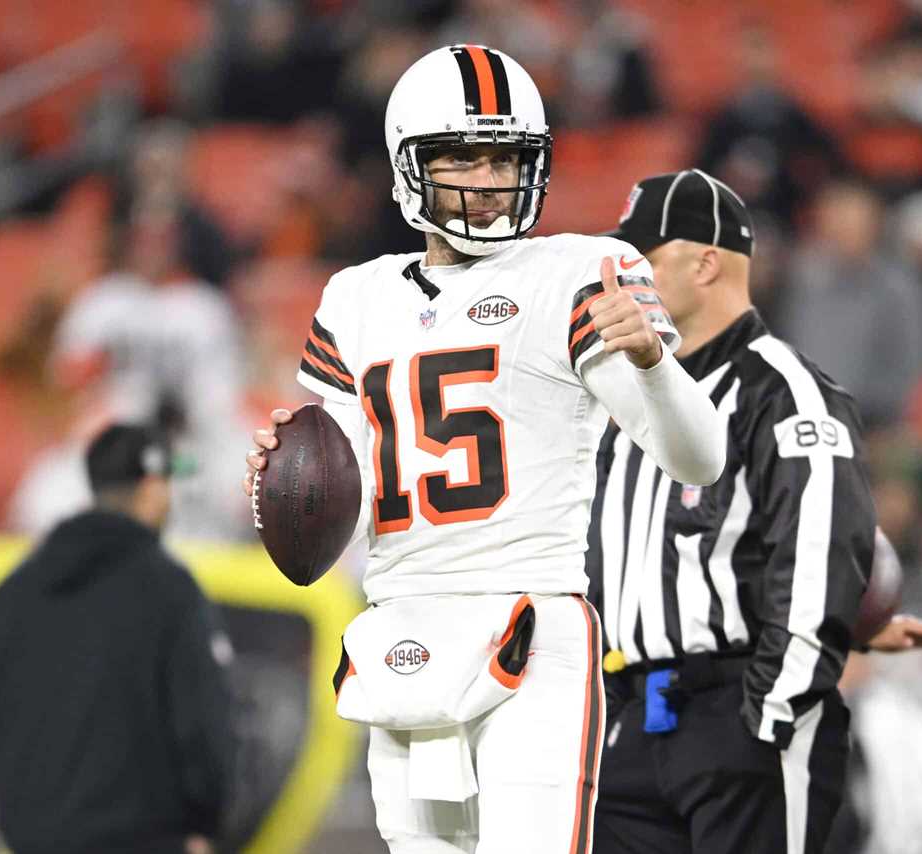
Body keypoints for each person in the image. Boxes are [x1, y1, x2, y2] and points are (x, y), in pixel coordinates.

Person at [244, 45, 725, 854]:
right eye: (461, 156)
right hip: (401, 625)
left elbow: (699, 459)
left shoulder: (579, 270)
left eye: (505, 158)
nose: (489, 179)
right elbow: (340, 510)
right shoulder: (356, 298)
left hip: (530, 624)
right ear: (407, 165)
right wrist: (281, 486)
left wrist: (653, 361)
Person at [585, 170, 922, 854]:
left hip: (737, 715)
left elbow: (817, 552)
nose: (622, 279)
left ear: (705, 261)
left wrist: (769, 715)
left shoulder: (785, 391)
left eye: (642, 260)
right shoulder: (630, 395)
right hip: (635, 720)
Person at [0, 424, 236, 854]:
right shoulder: (169, 590)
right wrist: (205, 821)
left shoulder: (18, 589)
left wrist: (24, 805)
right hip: (148, 841)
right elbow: (201, 723)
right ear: (153, 488)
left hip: (34, 840)